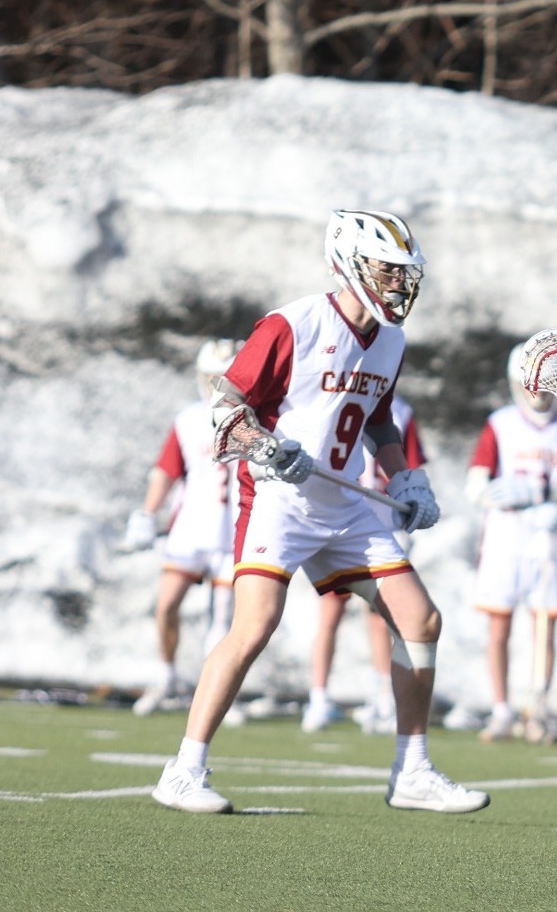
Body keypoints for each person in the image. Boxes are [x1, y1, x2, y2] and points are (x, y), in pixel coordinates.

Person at [151, 208, 486, 816]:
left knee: (422, 620)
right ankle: (183, 769)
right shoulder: (293, 323)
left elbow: (378, 415)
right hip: (279, 501)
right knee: (253, 627)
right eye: (386, 270)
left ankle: (412, 770)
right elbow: (225, 407)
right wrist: (265, 447)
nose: (397, 283)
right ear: (349, 263)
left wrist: (406, 475)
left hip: (347, 502)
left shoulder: (390, 339)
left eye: (403, 272)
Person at [466, 342, 557, 742]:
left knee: (544, 626)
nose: (537, 393)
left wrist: (556, 505)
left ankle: (538, 707)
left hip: (547, 540)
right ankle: (501, 709)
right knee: (499, 624)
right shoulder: (500, 424)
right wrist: (498, 493)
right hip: (504, 538)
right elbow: (476, 485)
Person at [125, 339, 243, 719]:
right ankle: (168, 676)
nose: (217, 387)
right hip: (191, 528)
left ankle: (215, 692)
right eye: (212, 378)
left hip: (235, 531)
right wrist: (147, 513)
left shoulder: (256, 419)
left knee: (223, 621)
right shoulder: (189, 418)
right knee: (166, 606)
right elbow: (167, 470)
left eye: (225, 379)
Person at [304, 395, 426, 734]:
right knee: (331, 610)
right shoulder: (335, 397)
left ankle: (382, 697)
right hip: (341, 520)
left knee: (380, 616)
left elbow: (410, 468)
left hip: (381, 525)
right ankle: (318, 695)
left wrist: (408, 515)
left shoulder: (400, 410)